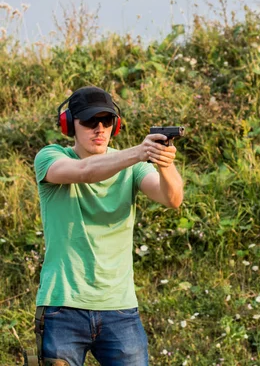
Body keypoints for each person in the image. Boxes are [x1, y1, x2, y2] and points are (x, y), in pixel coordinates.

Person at [32, 86, 184, 366]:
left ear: (116, 125)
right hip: (63, 305)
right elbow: (84, 172)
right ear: (69, 125)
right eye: (89, 121)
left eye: (106, 121)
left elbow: (171, 198)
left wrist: (164, 163)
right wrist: (140, 152)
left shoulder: (134, 166)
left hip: (120, 307)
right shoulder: (50, 157)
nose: (99, 128)